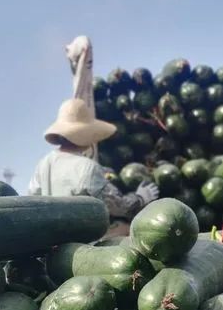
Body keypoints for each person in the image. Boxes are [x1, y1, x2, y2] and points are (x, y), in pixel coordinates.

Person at [28, 98, 158, 233]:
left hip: (52, 240)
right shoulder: (87, 167)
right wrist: (140, 198)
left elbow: (33, 200)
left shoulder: (43, 164)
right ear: (86, 134)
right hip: (80, 244)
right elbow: (115, 205)